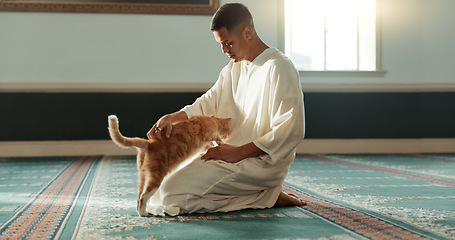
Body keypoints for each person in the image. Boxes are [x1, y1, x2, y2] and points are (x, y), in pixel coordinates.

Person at [145, 3, 305, 216]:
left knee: (169, 196)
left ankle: (266, 193)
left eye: (228, 43)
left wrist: (238, 152)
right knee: (158, 185)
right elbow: (207, 103)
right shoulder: (233, 69)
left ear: (248, 32)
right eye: (221, 44)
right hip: (227, 154)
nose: (224, 50)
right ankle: (265, 196)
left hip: (260, 162)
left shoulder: (279, 67)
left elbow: (291, 129)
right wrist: (171, 118)